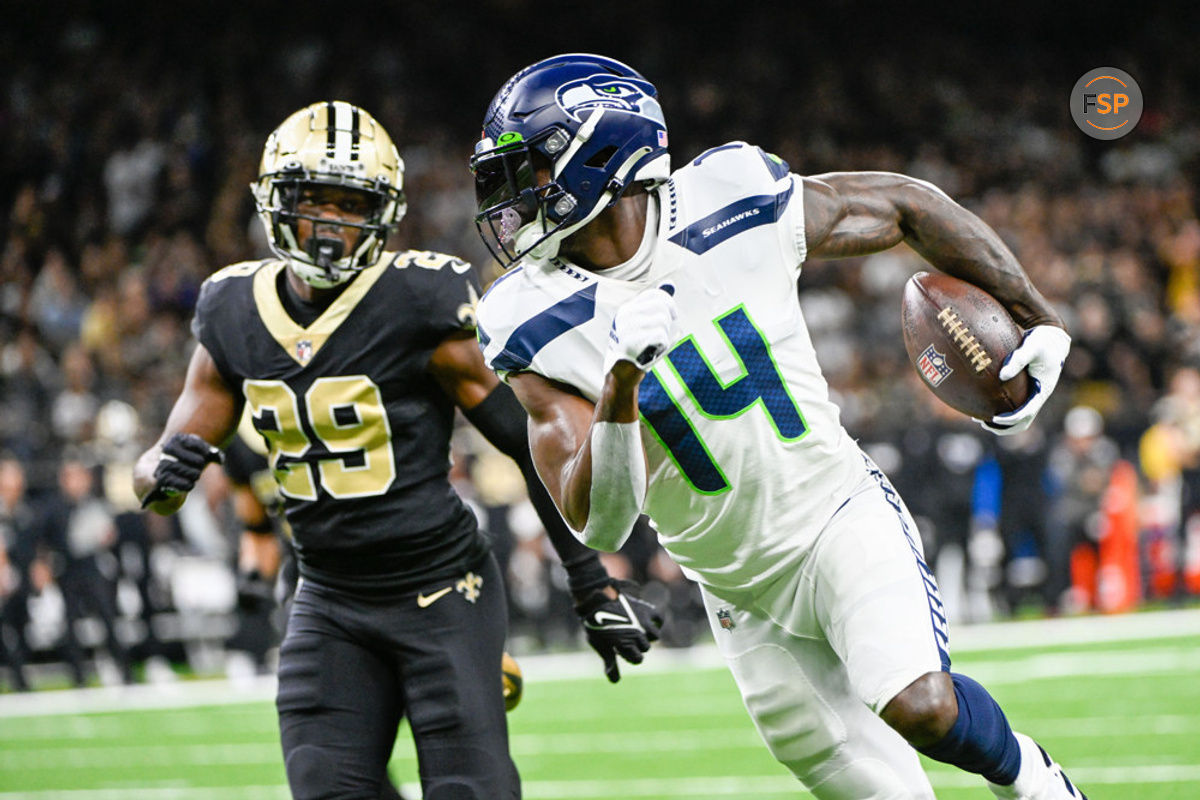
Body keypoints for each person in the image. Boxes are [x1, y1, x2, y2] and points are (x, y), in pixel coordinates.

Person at [469, 54, 1084, 799]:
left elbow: (904, 205)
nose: (511, 198)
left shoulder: (729, 195)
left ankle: (1034, 780)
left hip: (836, 515)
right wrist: (622, 380)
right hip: (735, 589)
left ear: (600, 150)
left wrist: (1036, 317)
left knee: (919, 704)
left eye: (529, 168)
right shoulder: (524, 316)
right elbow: (598, 519)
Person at [134, 101, 662, 800]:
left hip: (442, 589)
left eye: (349, 204)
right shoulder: (231, 310)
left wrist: (590, 583)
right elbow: (162, 466)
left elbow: (530, 445)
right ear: (271, 203)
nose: (328, 224)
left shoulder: (418, 299)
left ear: (382, 213)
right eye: (311, 201)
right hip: (328, 599)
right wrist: (162, 473)